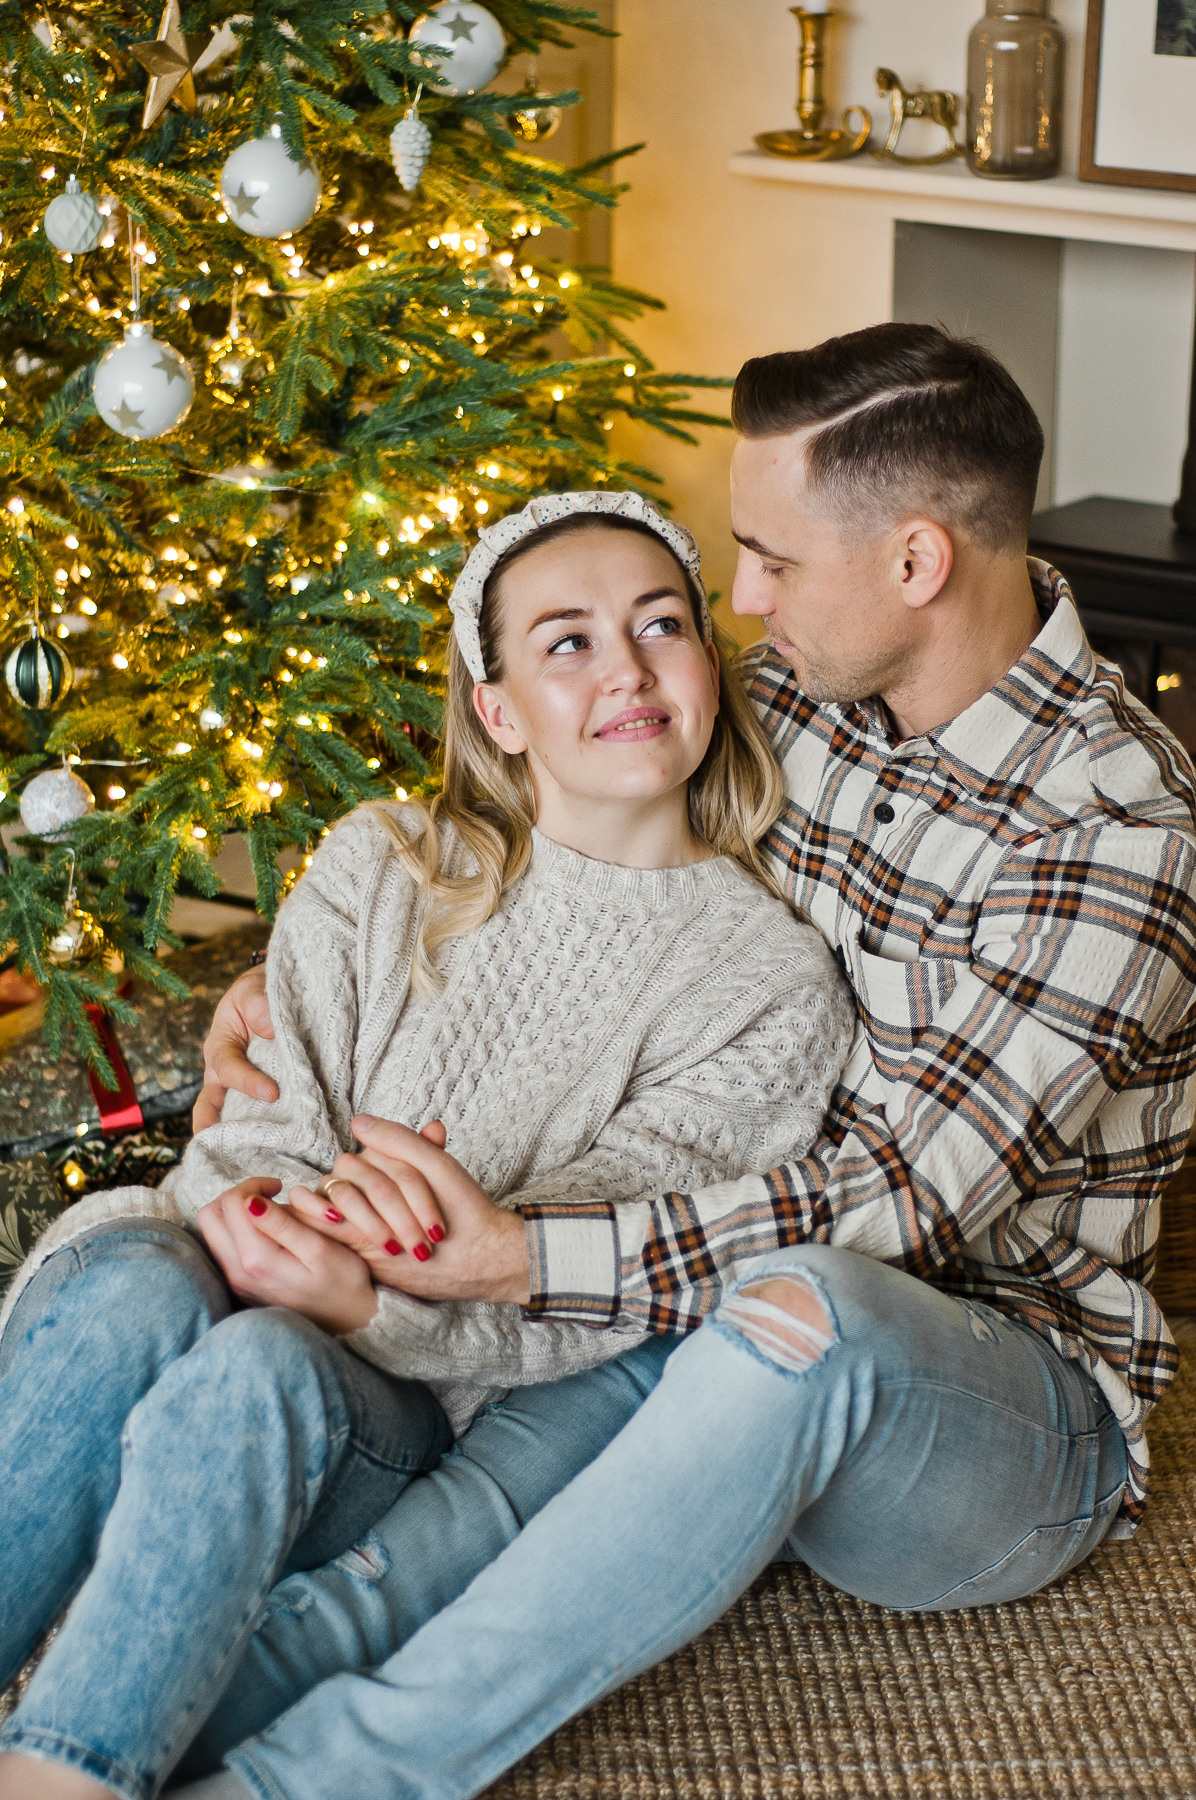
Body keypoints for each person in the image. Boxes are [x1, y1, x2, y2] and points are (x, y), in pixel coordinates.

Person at [172, 322, 1196, 1800]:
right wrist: (289, 976)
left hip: (998, 1403)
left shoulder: (1120, 834)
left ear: (915, 564)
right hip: (711, 1279)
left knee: (800, 1303)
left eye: (769, 558)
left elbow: (899, 1201)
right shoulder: (795, 696)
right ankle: (110, 1749)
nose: (739, 603)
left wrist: (531, 1259)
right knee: (425, 1546)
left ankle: (331, 1781)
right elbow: (553, 801)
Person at [0, 492, 852, 1800]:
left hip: (393, 1407)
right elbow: (251, 1142)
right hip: (183, 1281)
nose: (624, 667)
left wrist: (365, 1305)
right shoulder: (382, 860)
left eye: (661, 625)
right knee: (138, 1284)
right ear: (500, 710)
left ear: (708, 667)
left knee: (259, 1363)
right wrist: (285, 1230)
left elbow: (600, 1289)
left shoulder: (769, 981)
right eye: (565, 641)